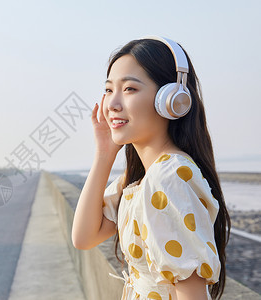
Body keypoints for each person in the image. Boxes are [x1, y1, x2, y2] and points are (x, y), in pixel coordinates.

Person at [71, 36, 231, 300]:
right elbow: (84, 237)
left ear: (172, 99)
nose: (112, 104)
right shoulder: (143, 180)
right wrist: (104, 152)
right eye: (109, 90)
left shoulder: (169, 177)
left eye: (130, 89)